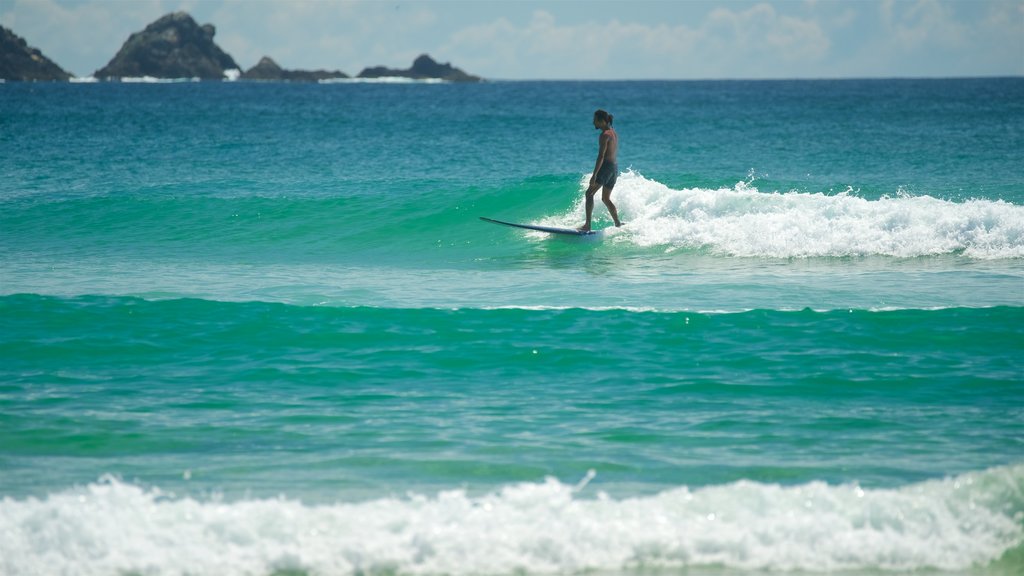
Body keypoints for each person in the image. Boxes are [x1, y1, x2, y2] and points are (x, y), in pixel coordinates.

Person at [578, 109, 623, 232]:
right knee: (605, 198)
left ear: (602, 121)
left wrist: (594, 175)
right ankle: (618, 223)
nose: (594, 123)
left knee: (589, 193)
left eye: (595, 120)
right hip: (614, 168)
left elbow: (601, 156)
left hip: (606, 168)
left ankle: (587, 225)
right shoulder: (613, 133)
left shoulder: (604, 135)